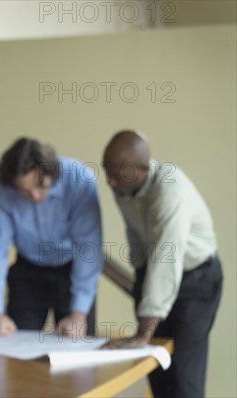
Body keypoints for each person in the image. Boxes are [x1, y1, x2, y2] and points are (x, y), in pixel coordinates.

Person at [102, 130, 222, 398]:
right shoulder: (122, 182)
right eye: (106, 171)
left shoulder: (170, 192)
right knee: (156, 368)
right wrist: (140, 287)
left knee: (183, 375)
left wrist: (143, 333)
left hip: (196, 279)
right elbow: (136, 237)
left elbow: (166, 261)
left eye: (117, 174)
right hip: (155, 271)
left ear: (143, 169)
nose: (109, 181)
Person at [0, 137, 103, 337]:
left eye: (41, 186)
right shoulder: (1, 185)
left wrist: (79, 314)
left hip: (71, 272)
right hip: (27, 272)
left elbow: (88, 248)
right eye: (25, 191)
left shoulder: (80, 180)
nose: (35, 197)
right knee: (16, 352)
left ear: (53, 175)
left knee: (77, 351)